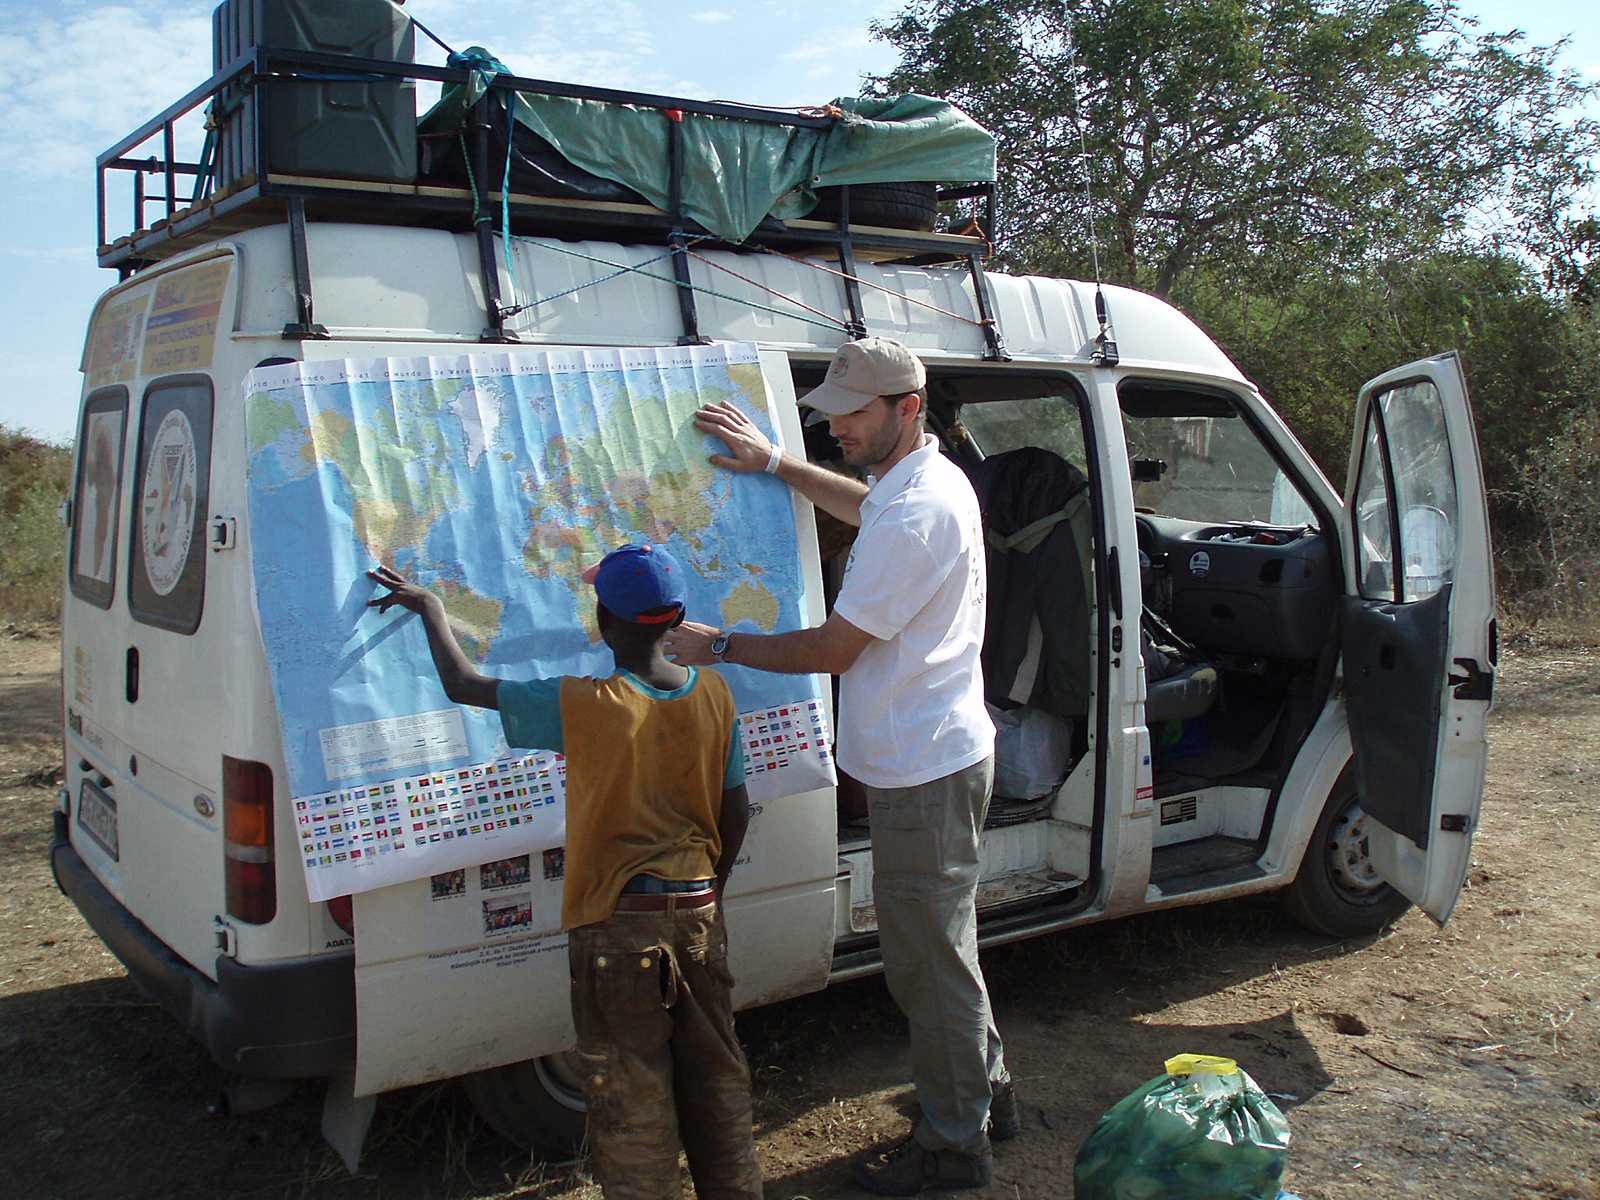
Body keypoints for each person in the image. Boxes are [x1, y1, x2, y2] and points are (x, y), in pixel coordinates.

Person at [664, 337, 1016, 1196]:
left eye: (853, 415)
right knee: (945, 951)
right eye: (830, 415)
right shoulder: (923, 485)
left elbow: (832, 647)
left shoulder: (922, 510)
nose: (837, 429)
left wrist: (721, 646)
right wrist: (779, 462)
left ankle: (952, 1149)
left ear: (907, 407)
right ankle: (984, 1098)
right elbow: (868, 508)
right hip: (933, 753)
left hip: (921, 771)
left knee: (927, 966)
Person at [368, 545, 761, 1200]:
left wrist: (432, 606)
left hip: (618, 927)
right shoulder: (714, 694)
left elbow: (464, 685)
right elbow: (737, 809)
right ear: (677, 619)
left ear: (603, 623)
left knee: (632, 1097)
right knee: (717, 1079)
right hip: (697, 912)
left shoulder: (586, 704)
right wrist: (709, 891)